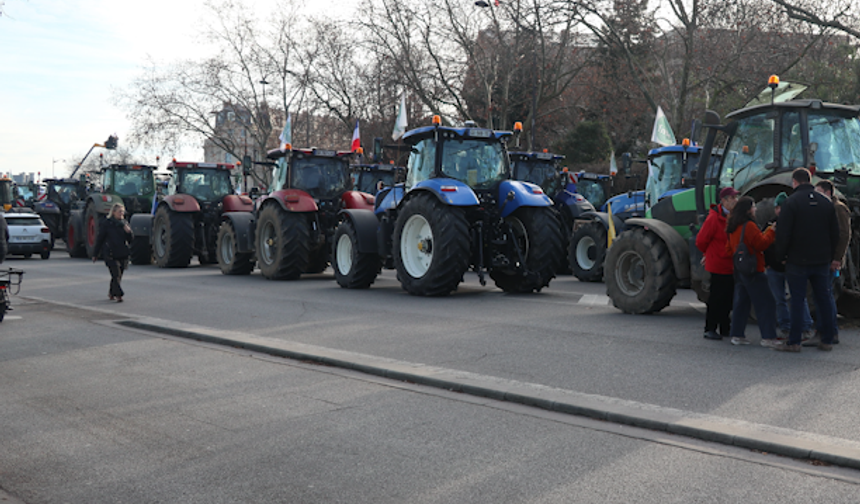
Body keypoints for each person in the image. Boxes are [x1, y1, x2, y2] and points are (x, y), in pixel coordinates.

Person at [775, 168, 840, 352]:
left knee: (797, 300)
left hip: (797, 260)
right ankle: (827, 339)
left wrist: (781, 257)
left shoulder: (791, 203)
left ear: (794, 182)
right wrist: (830, 255)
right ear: (810, 180)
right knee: (824, 298)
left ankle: (794, 341)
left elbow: (783, 234)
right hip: (821, 260)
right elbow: (835, 233)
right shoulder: (826, 203)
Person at [725, 196, 780, 346]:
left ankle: (737, 335)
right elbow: (761, 244)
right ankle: (768, 337)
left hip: (740, 269)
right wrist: (772, 232)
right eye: (754, 206)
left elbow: (729, 249)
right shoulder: (749, 226)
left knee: (741, 303)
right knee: (766, 303)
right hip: (754, 269)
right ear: (748, 210)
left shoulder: (732, 225)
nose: (755, 209)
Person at [763, 192, 814, 340]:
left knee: (797, 297)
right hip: (774, 268)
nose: (779, 210)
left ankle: (806, 326)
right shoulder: (769, 224)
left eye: (782, 207)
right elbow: (764, 244)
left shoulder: (796, 224)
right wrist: (767, 263)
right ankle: (785, 326)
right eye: (777, 207)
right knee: (779, 299)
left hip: (792, 267)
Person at [807, 179, 851, 345]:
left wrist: (836, 259)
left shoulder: (838, 208)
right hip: (827, 259)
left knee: (823, 296)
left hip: (832, 261)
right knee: (824, 296)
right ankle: (829, 331)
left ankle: (824, 331)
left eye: (818, 192)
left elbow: (844, 235)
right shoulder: (826, 208)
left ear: (828, 192)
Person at [696, 187, 739, 340]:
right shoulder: (713, 218)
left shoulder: (734, 217)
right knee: (716, 297)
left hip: (730, 264)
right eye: (732, 198)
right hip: (718, 263)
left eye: (736, 198)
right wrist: (708, 254)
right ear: (724, 200)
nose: (735, 200)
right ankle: (710, 328)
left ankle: (725, 327)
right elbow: (701, 240)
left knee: (728, 297)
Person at [93, 203, 133, 302]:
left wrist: (129, 232)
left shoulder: (124, 223)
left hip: (122, 253)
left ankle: (111, 292)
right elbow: (100, 239)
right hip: (110, 253)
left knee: (118, 276)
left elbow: (131, 240)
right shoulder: (107, 223)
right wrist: (95, 254)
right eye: (119, 211)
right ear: (113, 212)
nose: (121, 213)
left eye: (122, 212)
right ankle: (119, 295)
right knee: (116, 274)